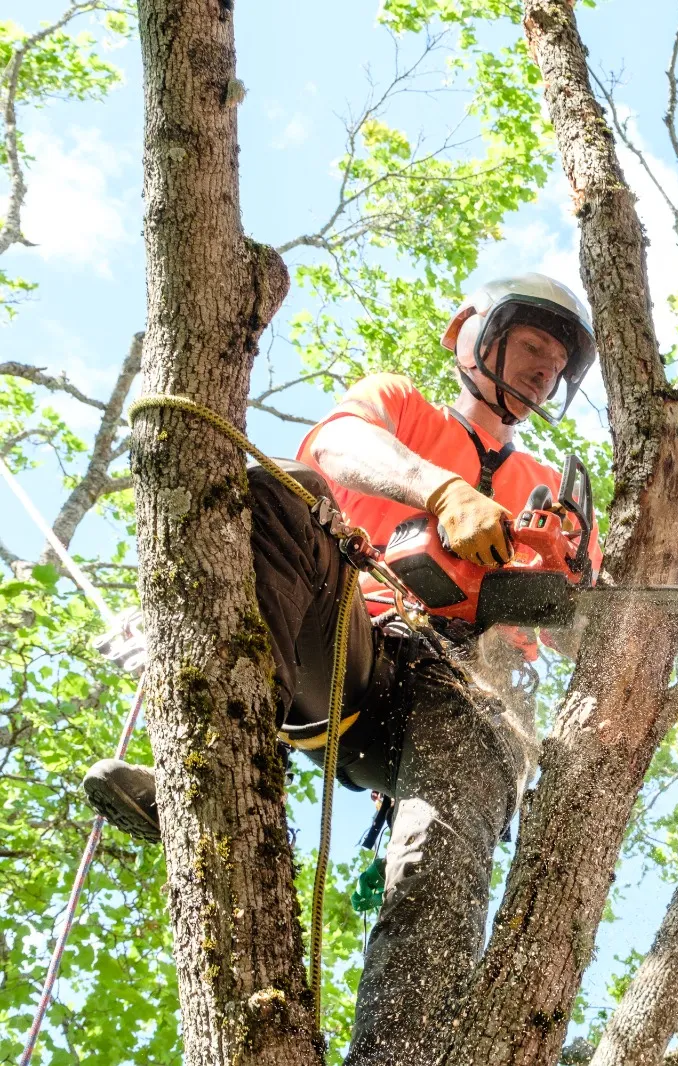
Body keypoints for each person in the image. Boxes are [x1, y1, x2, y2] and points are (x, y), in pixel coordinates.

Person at [82, 274, 599, 1065]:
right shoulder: (400, 407)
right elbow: (336, 448)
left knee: (435, 877)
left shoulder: (546, 488)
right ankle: (202, 764)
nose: (544, 371)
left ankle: (401, 1055)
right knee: (286, 493)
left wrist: (560, 582)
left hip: (471, 700)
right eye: (533, 347)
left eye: (558, 363)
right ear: (474, 333)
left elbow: (588, 619)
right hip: (355, 656)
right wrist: (446, 491)